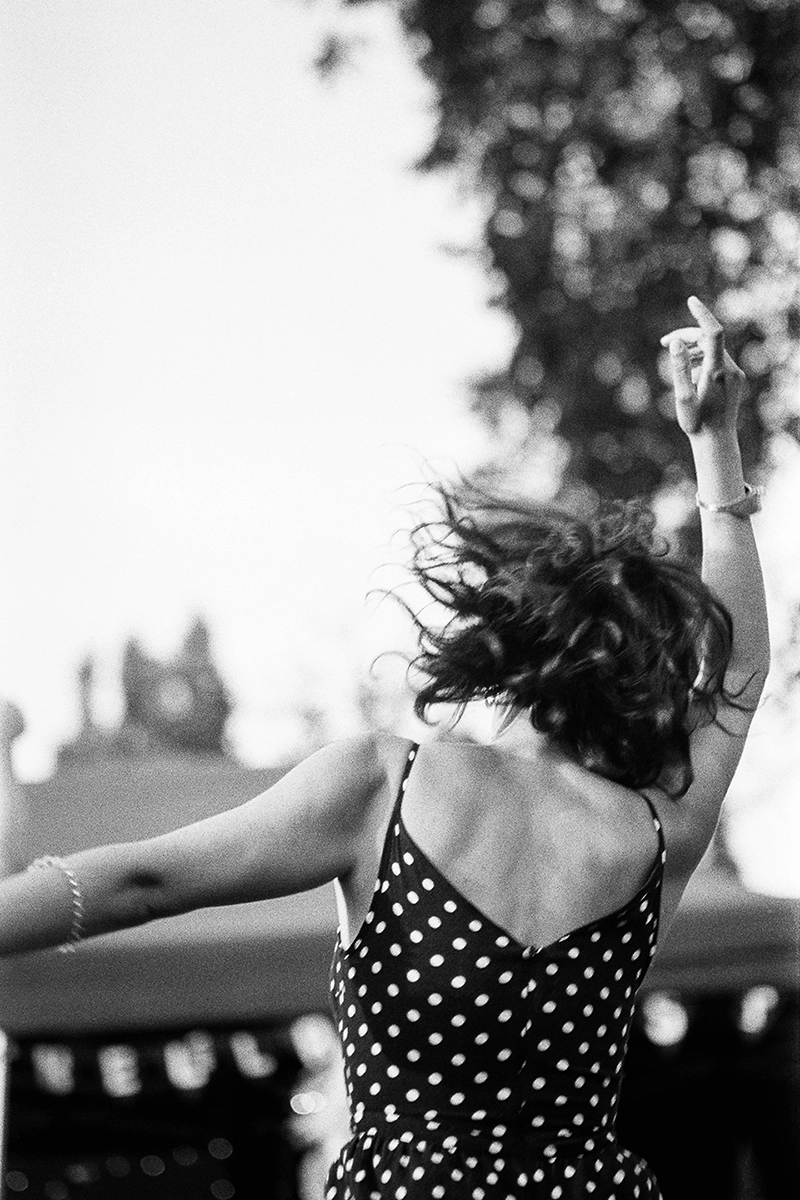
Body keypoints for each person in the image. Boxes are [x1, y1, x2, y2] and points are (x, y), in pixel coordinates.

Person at [0, 297, 770, 1199]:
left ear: (504, 647)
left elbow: (140, 881)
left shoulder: (386, 787)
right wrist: (717, 451)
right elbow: (739, 678)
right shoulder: (654, 831)